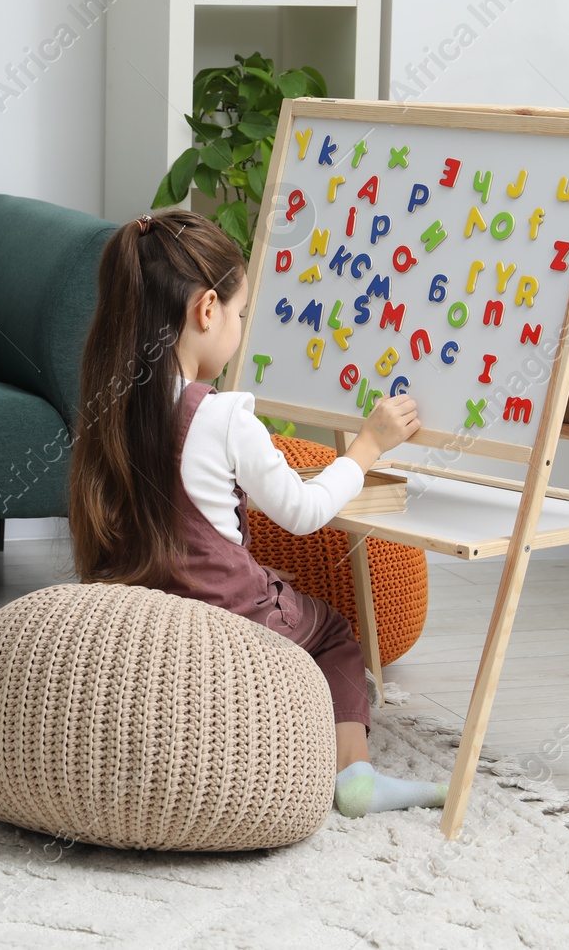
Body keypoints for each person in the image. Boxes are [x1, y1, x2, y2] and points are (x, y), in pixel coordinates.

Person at [68, 209, 448, 818]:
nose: (239, 327)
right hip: (224, 615)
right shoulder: (219, 416)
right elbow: (304, 512)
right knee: (334, 633)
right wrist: (367, 446)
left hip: (149, 610)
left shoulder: (108, 403)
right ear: (207, 309)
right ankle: (356, 776)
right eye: (240, 314)